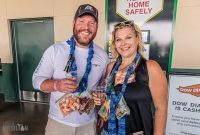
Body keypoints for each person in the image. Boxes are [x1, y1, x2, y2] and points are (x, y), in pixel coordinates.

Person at [32, 4, 109, 135]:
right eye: (82, 21)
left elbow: (104, 87)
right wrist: (57, 85)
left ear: (97, 27)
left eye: (92, 23)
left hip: (88, 125)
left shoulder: (102, 55)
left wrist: (103, 109)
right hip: (58, 124)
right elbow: (36, 81)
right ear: (74, 23)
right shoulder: (55, 50)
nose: (86, 27)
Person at [93, 20, 168, 135]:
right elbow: (110, 101)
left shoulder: (150, 67)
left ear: (137, 39)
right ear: (114, 43)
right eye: (118, 39)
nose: (123, 43)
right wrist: (102, 101)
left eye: (128, 37)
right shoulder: (111, 67)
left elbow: (161, 109)